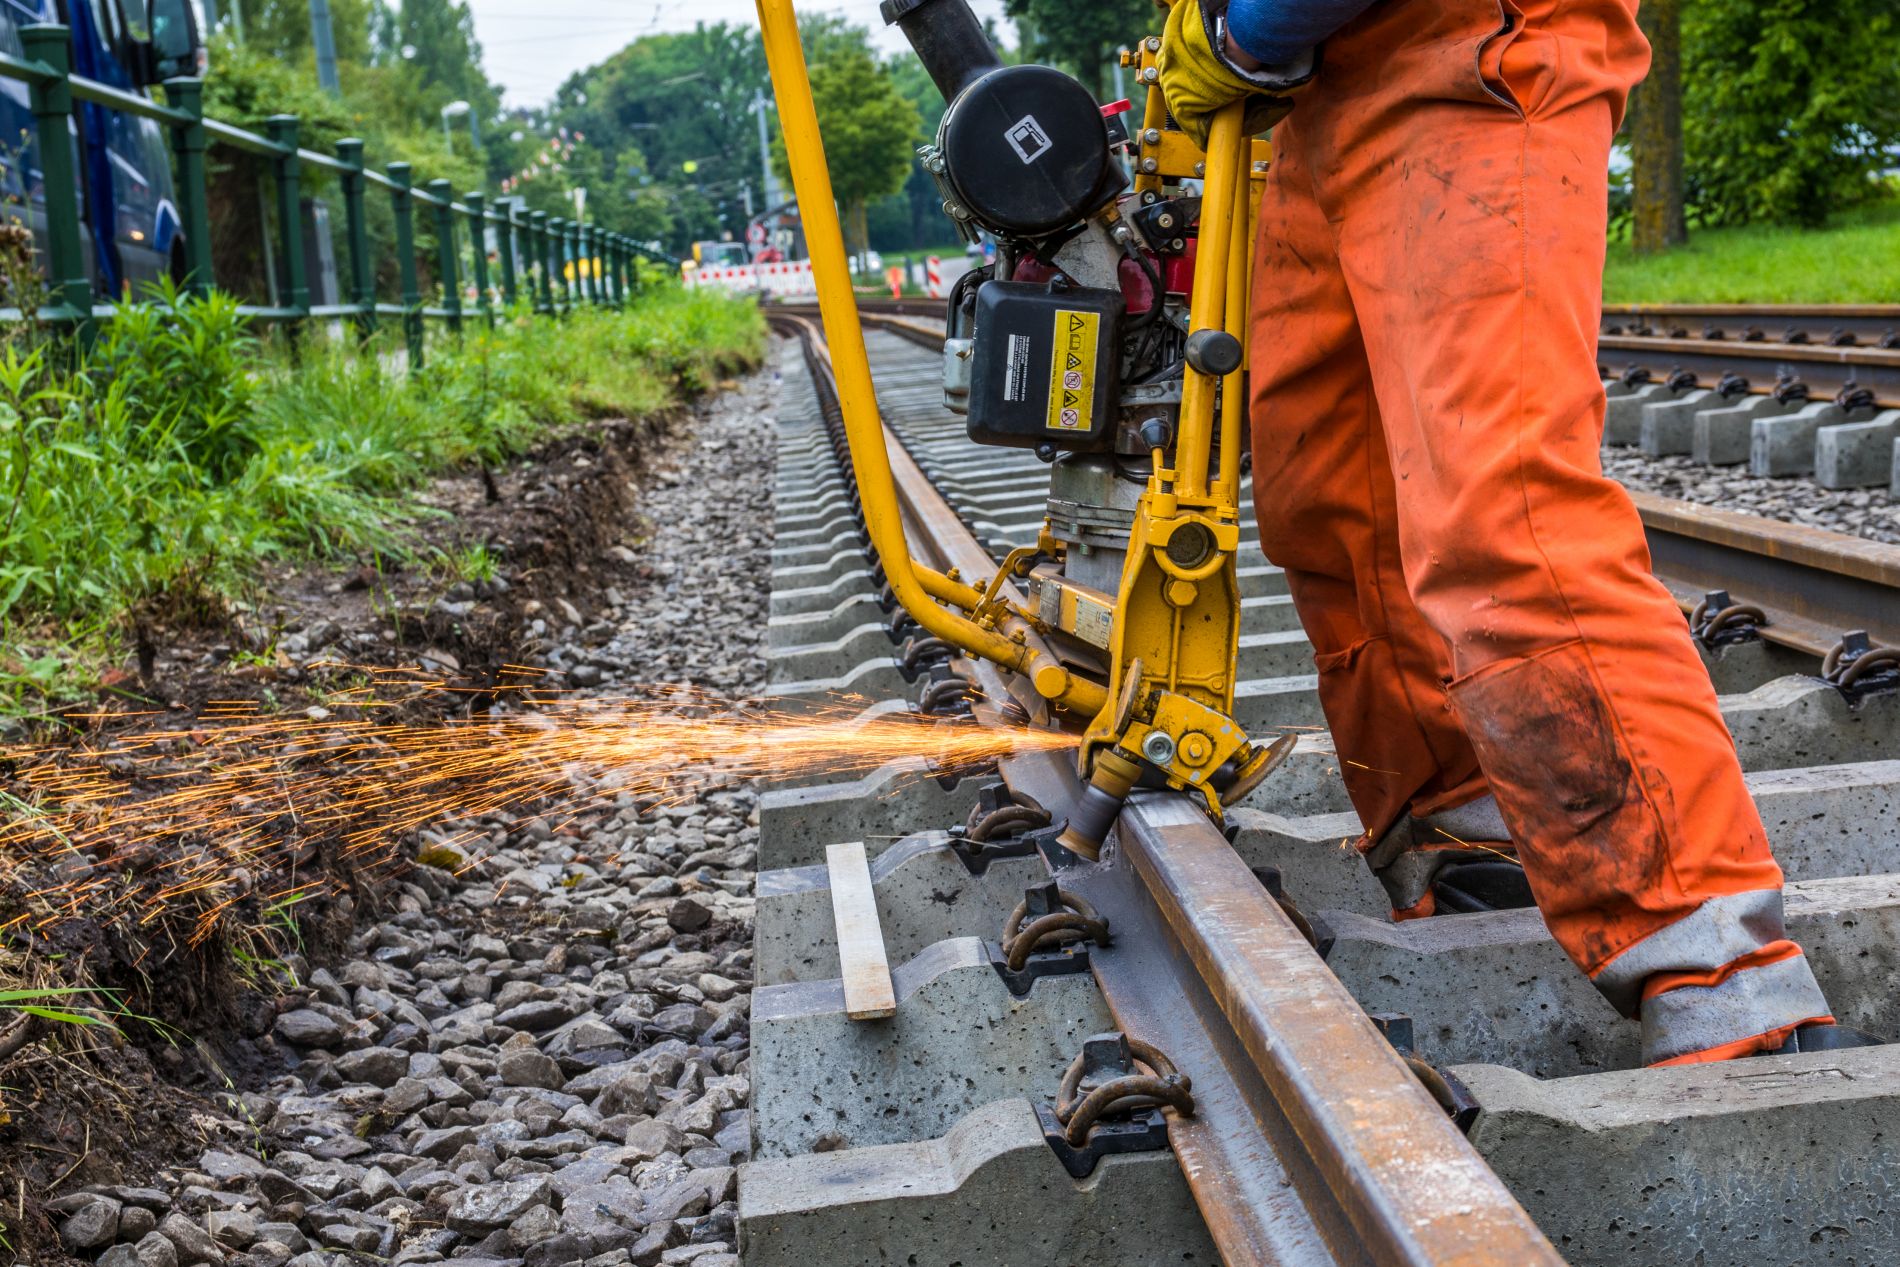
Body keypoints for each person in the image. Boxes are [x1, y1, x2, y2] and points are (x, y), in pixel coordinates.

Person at [1157, 0, 1871, 1065]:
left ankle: (1717, 973)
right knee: (1334, 507)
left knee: (1503, 515)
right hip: (1323, 89)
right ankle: (1462, 830)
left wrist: (1243, 27)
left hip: (1474, 43)